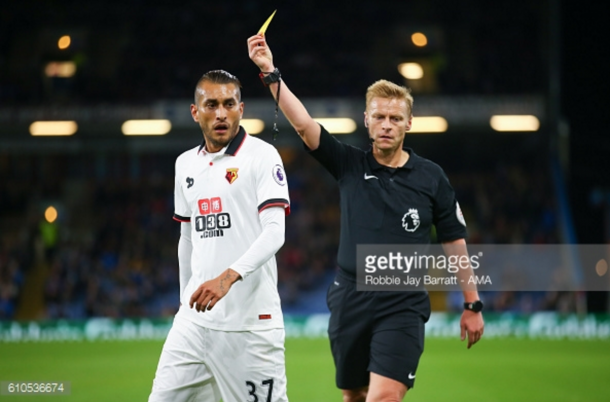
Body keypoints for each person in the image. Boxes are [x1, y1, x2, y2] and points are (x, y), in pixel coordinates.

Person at [248, 35, 484, 401]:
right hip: (350, 298)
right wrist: (270, 73)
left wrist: (472, 303)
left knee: (383, 397)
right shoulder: (349, 164)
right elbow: (304, 125)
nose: (386, 124)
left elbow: (453, 238)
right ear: (367, 120)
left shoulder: (431, 177)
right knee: (354, 396)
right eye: (379, 117)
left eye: (395, 118)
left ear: (409, 124)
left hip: (403, 301)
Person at [149, 70, 291, 402]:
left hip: (251, 328)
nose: (221, 113)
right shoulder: (185, 165)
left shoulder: (262, 156)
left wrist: (226, 278)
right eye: (211, 104)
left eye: (229, 104)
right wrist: (186, 301)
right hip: (194, 328)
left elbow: (275, 233)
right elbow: (187, 237)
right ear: (195, 112)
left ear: (241, 108)